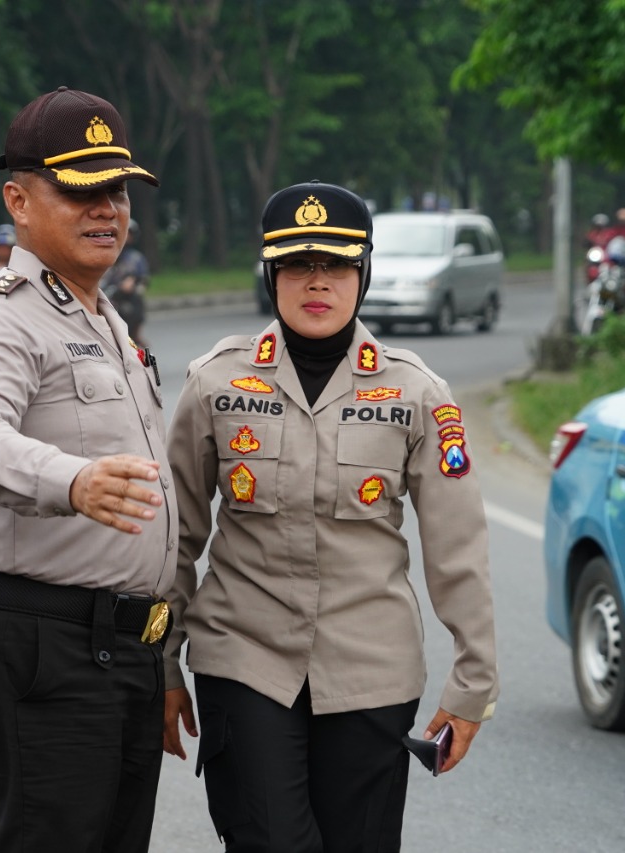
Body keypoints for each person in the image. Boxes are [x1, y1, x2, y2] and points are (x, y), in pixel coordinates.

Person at [162, 181, 499, 851]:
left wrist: (473, 684)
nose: (317, 282)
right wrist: (163, 664)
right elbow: (176, 536)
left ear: (363, 274)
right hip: (244, 657)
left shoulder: (417, 393)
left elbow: (458, 548)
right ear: (271, 275)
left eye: (337, 265)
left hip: (372, 669)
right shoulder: (215, 382)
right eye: (297, 265)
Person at [0, 86, 176, 853]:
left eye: (118, 191)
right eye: (80, 190)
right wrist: (71, 480)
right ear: (19, 201)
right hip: (42, 645)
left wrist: (164, 655)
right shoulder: (0, 317)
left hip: (120, 648)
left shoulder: (106, 320)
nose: (106, 209)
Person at [99, 218, 150, 347]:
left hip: (127, 295)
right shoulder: (102, 254)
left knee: (137, 302)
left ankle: (135, 334)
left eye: (129, 233)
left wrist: (134, 285)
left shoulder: (136, 258)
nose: (125, 236)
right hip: (105, 292)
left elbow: (143, 279)